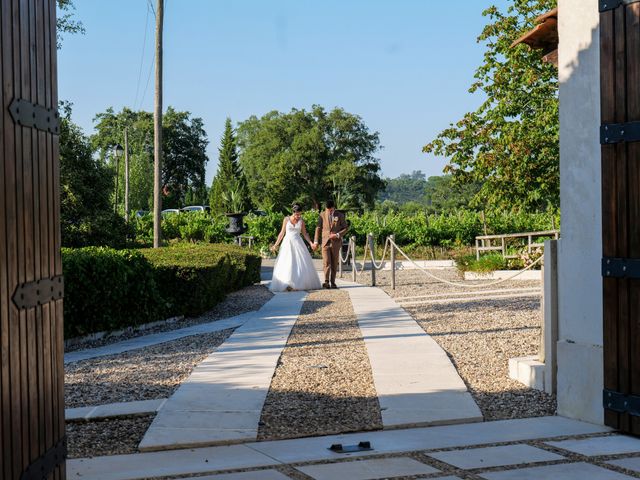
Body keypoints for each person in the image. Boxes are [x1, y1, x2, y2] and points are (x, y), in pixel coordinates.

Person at [269, 204, 321, 292]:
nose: (299, 216)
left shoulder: (301, 221)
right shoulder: (286, 219)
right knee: (287, 263)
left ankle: (297, 283)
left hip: (298, 243)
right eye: (297, 214)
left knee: (299, 263)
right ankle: (286, 283)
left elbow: (305, 234)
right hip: (287, 244)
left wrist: (311, 243)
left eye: (300, 214)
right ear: (293, 212)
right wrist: (276, 245)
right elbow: (282, 233)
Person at [313, 200, 348, 289]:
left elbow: (345, 228)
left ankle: (333, 282)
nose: (329, 211)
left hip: (336, 243)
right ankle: (326, 281)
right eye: (328, 210)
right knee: (326, 262)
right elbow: (318, 228)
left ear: (334, 208)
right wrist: (316, 241)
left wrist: (337, 235)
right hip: (325, 242)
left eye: (331, 210)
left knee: (334, 263)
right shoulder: (321, 215)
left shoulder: (340, 215)